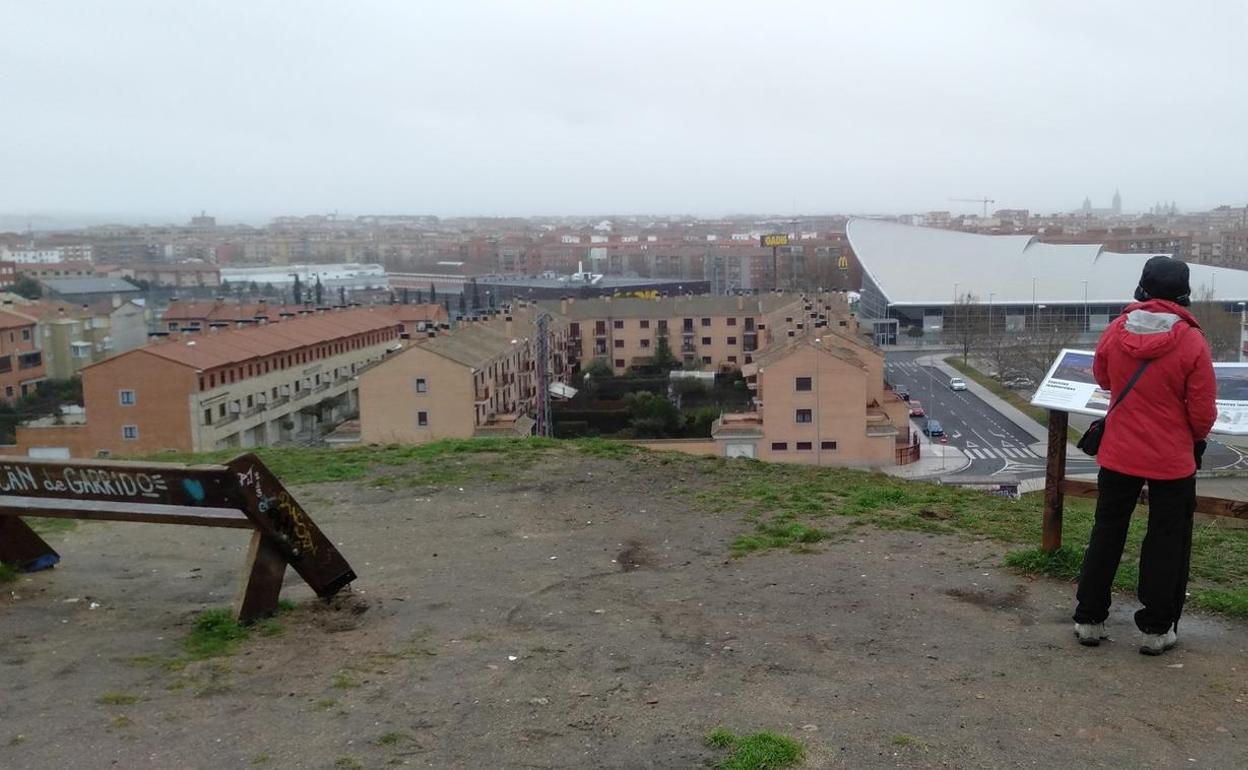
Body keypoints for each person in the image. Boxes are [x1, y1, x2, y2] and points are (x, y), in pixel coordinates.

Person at [1073, 256, 1216, 655]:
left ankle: (1089, 618)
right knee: (1166, 539)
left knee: (1107, 530)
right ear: (1183, 294)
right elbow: (1202, 410)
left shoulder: (1117, 329)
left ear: (1142, 288)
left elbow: (1103, 377)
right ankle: (1156, 628)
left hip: (1119, 450)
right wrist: (1194, 437)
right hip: (1171, 457)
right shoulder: (1191, 341)